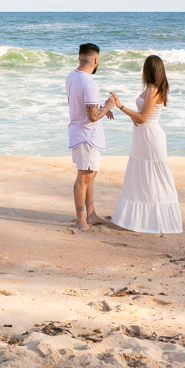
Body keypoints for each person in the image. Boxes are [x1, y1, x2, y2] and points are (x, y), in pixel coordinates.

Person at [108, 55, 183, 234]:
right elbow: (142, 116)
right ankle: (140, 219)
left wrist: (120, 106)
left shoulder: (153, 90)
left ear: (149, 70)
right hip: (143, 135)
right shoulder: (151, 89)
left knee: (154, 177)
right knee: (142, 177)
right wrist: (135, 117)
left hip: (150, 137)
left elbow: (143, 117)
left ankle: (157, 220)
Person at [66, 43, 117, 231]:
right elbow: (93, 116)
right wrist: (109, 106)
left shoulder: (72, 77)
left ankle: (91, 214)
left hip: (81, 132)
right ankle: (81, 219)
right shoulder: (89, 83)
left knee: (90, 175)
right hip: (86, 136)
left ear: (80, 58)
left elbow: (78, 105)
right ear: (96, 60)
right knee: (84, 177)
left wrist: (102, 109)